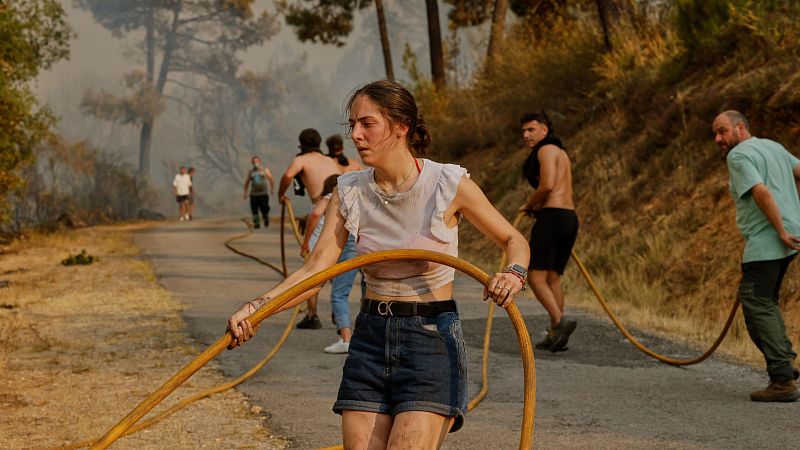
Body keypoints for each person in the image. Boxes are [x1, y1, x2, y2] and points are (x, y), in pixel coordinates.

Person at [228, 80, 529, 449]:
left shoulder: (447, 183)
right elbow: (314, 272)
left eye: (367, 124)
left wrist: (514, 273)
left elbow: (514, 239)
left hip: (430, 339)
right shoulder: (349, 190)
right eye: (352, 125)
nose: (356, 134)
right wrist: (257, 308)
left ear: (401, 126)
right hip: (370, 338)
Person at [712, 110, 800, 402]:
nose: (718, 139)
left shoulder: (738, 156)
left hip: (770, 242)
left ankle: (782, 380)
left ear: (740, 128)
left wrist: (781, 230)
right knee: (766, 302)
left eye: (722, 131)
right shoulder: (773, 146)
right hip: (789, 240)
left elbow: (762, 193)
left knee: (756, 307)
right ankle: (785, 362)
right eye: (715, 133)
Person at [517, 111, 579, 352]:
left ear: (545, 129)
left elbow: (547, 185)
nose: (526, 135)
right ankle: (556, 334)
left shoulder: (545, 150)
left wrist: (529, 205)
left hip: (552, 217)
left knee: (535, 276)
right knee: (553, 277)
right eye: (523, 131)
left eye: (531, 129)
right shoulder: (561, 152)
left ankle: (559, 321)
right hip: (569, 217)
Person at [279, 128, 343, 329]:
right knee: (333, 262)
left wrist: (281, 194)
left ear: (301, 144)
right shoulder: (329, 160)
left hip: (321, 209)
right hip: (340, 211)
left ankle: (312, 315)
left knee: (311, 264)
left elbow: (288, 176)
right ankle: (339, 309)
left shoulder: (302, 160)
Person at [301, 174, 359, 353]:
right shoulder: (356, 198)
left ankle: (346, 338)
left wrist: (306, 241)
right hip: (361, 245)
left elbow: (316, 214)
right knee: (369, 290)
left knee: (337, 294)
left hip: (341, 247)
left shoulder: (331, 197)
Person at [243, 156, 275, 229]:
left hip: (263, 194)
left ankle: (266, 218)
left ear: (260, 162)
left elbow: (271, 179)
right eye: (254, 162)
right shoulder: (251, 172)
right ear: (252, 163)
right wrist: (245, 192)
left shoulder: (265, 170)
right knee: (254, 210)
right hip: (254, 194)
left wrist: (272, 188)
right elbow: (247, 182)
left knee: (264, 208)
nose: (255, 163)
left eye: (256, 161)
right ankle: (256, 223)